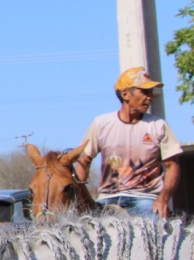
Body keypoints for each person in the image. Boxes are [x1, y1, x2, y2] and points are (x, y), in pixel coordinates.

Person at [74, 67, 182, 219]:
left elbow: (172, 166)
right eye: (145, 92)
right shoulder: (101, 123)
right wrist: (80, 199)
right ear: (125, 94)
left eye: (151, 92)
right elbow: (84, 161)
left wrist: (163, 199)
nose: (150, 97)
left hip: (146, 199)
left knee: (154, 230)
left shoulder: (158, 125)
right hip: (108, 199)